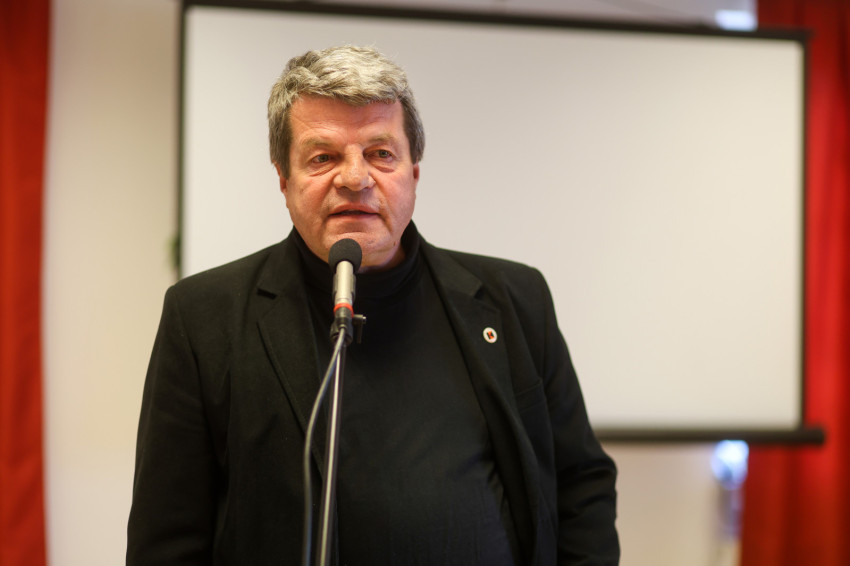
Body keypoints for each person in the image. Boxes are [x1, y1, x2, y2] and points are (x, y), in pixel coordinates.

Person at [127, 45, 619, 566]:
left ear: (414, 173)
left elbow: (580, 483)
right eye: (323, 157)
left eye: (381, 154)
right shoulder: (204, 318)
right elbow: (168, 537)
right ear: (283, 180)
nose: (355, 178)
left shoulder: (514, 300)